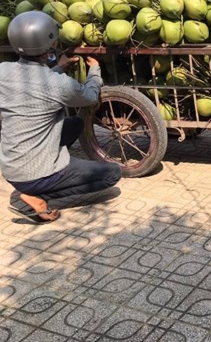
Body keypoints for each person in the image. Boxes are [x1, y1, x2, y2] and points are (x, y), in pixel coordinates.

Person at [0, 11, 122, 222]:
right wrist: (94, 72)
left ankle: (36, 184)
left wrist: (60, 67)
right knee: (112, 173)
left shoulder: (3, 70)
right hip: (37, 174)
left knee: (74, 124)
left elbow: (36, 83)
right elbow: (90, 96)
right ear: (50, 45)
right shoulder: (58, 84)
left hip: (11, 166)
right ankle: (37, 196)